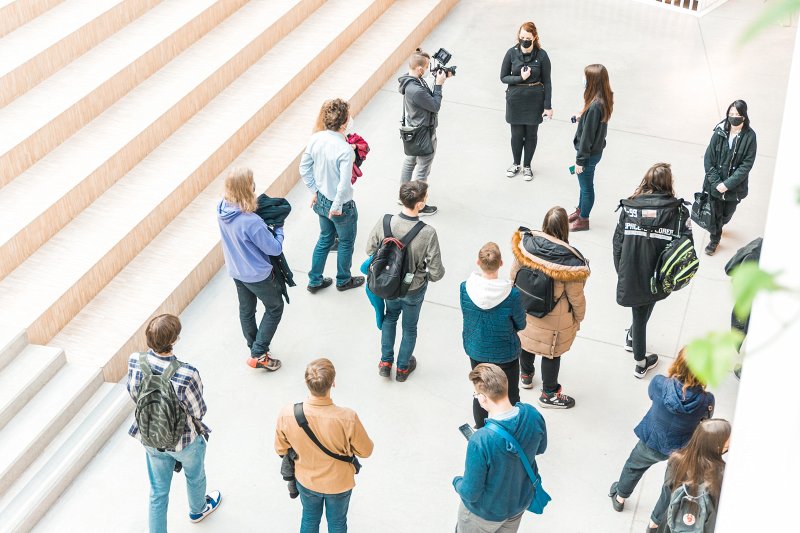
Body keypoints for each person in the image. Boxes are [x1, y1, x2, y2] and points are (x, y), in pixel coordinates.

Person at [126, 314, 221, 532]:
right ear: (175, 339)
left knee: (158, 492)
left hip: (150, 437)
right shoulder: (186, 373)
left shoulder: (135, 360)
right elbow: (198, 411)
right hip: (184, 441)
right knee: (195, 476)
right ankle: (198, 510)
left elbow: (133, 392)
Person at [608, 348, 715, 513]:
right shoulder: (706, 400)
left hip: (652, 439)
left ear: (678, 363)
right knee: (671, 486)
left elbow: (651, 394)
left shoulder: (659, 383)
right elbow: (705, 421)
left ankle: (620, 497)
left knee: (634, 467)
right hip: (681, 449)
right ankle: (655, 523)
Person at [275, 358, 374, 533]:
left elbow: (281, 449)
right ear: (333, 383)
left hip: (306, 481)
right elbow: (366, 451)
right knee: (337, 523)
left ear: (307, 382)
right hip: (339, 483)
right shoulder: (347, 417)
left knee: (309, 519)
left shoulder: (288, 414)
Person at [613, 163, 691, 378]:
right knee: (641, 312)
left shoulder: (629, 208)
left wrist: (622, 271)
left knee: (640, 309)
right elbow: (686, 247)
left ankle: (632, 338)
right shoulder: (679, 212)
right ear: (668, 183)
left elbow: (617, 243)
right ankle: (640, 362)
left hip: (632, 270)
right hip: (658, 275)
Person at [453, 363, 547, 532]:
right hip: (518, 505)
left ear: (482, 398)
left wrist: (456, 482)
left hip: (484, 514)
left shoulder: (481, 440)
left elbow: (470, 493)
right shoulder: (533, 414)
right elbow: (541, 448)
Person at [510, 207, 589, 409]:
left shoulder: (526, 246)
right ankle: (549, 394)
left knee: (526, 342)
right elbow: (576, 298)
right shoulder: (569, 263)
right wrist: (578, 318)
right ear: (565, 228)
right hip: (554, 319)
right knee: (551, 354)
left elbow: (513, 276)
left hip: (526, 308)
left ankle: (526, 376)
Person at [366, 181, 445, 382]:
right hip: (413, 289)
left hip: (388, 286)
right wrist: (424, 273)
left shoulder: (385, 221)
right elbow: (436, 273)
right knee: (409, 327)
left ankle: (385, 362)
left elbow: (369, 249)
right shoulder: (427, 232)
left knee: (390, 317)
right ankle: (402, 368)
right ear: (419, 204)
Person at [217, 167, 284, 371]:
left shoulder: (221, 208)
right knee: (275, 308)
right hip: (258, 275)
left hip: (236, 270)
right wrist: (279, 228)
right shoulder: (251, 222)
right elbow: (275, 248)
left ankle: (254, 347)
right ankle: (259, 353)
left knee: (246, 310)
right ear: (248, 188)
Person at [300, 98, 364, 293]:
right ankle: (343, 279)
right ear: (344, 123)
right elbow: (344, 184)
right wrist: (336, 206)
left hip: (320, 200)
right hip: (341, 205)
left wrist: (315, 191)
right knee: (345, 242)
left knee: (325, 239)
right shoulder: (345, 149)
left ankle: (315, 280)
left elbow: (304, 169)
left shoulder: (315, 138)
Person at [460, 242, 526, 427]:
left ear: (478, 262)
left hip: (476, 349)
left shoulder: (465, 288)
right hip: (505, 352)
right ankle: (511, 428)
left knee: (481, 392)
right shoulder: (512, 294)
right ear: (501, 263)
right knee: (510, 393)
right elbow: (520, 323)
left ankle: (481, 428)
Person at [647, 419, 731, 532]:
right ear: (717, 446)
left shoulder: (677, 460)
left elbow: (667, 494)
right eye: (728, 440)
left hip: (673, 521)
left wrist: (655, 520)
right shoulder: (722, 473)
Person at [397, 49, 450, 216]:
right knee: (422, 169)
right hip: (424, 135)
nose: (427, 70)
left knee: (410, 161)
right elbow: (435, 105)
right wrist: (439, 85)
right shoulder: (416, 90)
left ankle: (403, 195)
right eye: (426, 67)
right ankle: (417, 204)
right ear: (419, 68)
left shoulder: (409, 80)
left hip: (413, 131)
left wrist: (437, 79)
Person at [701, 100, 757, 256]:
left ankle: (721, 224)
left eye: (737, 114)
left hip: (734, 188)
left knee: (727, 215)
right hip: (715, 186)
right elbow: (708, 159)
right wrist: (717, 182)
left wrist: (727, 184)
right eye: (730, 114)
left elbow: (746, 165)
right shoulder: (719, 131)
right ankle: (714, 239)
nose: (733, 117)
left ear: (744, 116)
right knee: (715, 215)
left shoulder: (750, 136)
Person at [501, 21, 553, 181]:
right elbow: (503, 77)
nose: (524, 40)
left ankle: (527, 166)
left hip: (534, 101)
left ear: (534, 37)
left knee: (531, 134)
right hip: (515, 100)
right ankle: (516, 163)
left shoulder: (542, 55)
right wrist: (520, 77)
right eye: (521, 37)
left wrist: (548, 106)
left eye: (527, 37)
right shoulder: (511, 53)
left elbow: (548, 81)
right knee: (516, 134)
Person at [569, 64, 614, 232]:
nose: (583, 79)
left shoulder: (595, 105)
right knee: (584, 185)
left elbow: (587, 136)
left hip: (587, 154)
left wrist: (580, 160)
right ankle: (580, 210)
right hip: (595, 152)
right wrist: (583, 115)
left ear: (593, 81)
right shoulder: (604, 97)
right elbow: (594, 123)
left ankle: (583, 219)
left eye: (586, 77)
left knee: (586, 188)